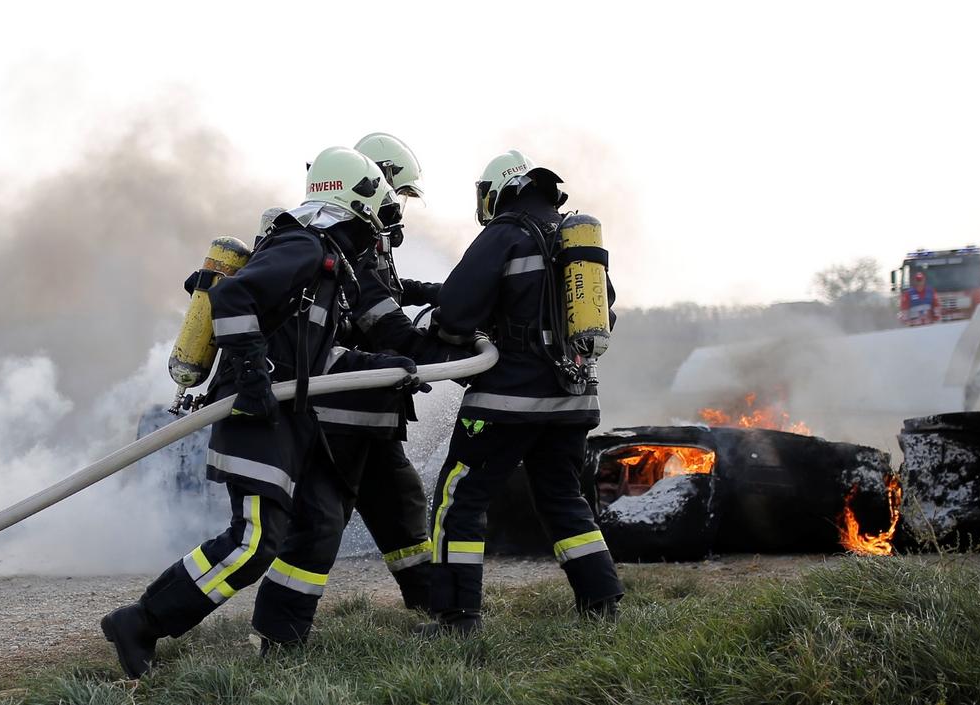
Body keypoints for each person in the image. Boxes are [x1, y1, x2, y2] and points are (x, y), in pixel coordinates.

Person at [100, 147, 418, 679]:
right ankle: (140, 622)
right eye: (372, 222)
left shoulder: (327, 270)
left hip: (286, 415)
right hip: (255, 412)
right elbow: (234, 298)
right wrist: (250, 375)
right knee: (253, 542)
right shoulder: (303, 244)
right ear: (355, 203)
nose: (373, 237)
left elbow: (310, 360)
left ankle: (282, 641)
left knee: (311, 522)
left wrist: (389, 365)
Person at [417, 150, 623, 636]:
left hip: (507, 402)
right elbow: (602, 316)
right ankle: (602, 605)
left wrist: (443, 333)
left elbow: (457, 311)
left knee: (459, 498)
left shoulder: (504, 234)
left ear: (498, 192)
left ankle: (456, 619)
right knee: (563, 498)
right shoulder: (574, 241)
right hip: (573, 400)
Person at [251, 133, 445, 648]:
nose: (398, 209)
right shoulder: (334, 245)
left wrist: (446, 300)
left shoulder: (357, 244)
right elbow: (377, 315)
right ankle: (279, 635)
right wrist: (420, 346)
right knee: (319, 525)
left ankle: (436, 604)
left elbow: (391, 294)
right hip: (335, 409)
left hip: (370, 408)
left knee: (400, 503)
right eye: (394, 195)